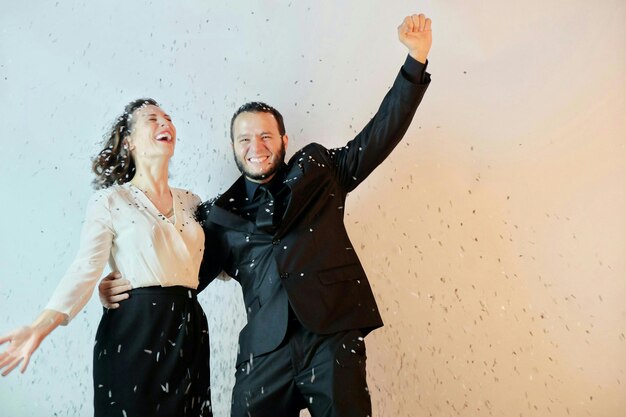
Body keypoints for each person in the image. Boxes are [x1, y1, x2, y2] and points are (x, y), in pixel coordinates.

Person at [102, 12, 432, 416]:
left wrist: (415, 61)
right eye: (244, 138)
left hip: (329, 339)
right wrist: (127, 287)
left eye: (264, 136)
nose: (255, 145)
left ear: (283, 140)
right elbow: (181, 277)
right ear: (234, 148)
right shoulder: (219, 216)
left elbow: (379, 134)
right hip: (264, 353)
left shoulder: (320, 171)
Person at [0, 99, 212, 417]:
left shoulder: (193, 202)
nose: (164, 122)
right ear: (129, 141)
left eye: (168, 118)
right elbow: (85, 269)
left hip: (188, 328)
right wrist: (39, 327)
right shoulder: (110, 200)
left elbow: (223, 257)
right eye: (151, 119)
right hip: (133, 329)